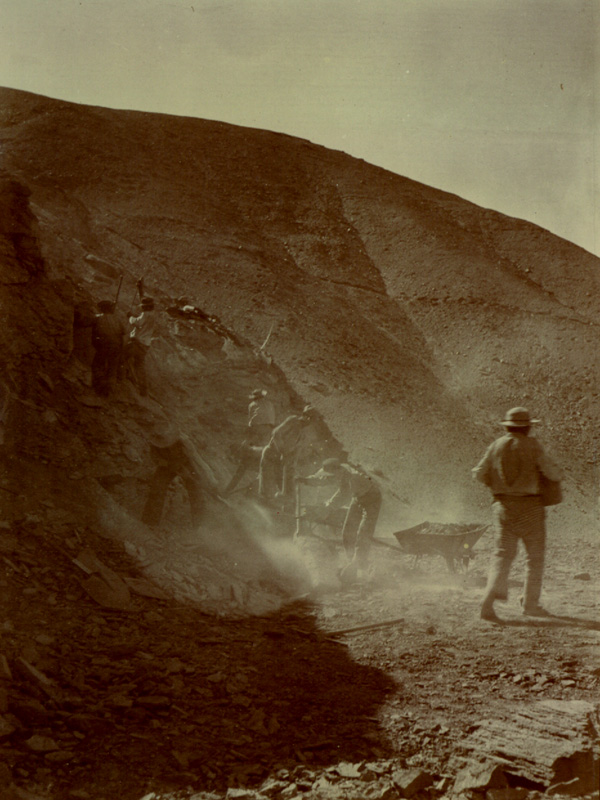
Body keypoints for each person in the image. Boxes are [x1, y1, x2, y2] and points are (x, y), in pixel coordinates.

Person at [472, 406, 563, 622]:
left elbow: (477, 473)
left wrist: (496, 484)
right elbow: (552, 472)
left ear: (508, 426)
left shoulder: (496, 446)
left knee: (502, 555)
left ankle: (487, 601)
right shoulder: (533, 446)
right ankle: (530, 605)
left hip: (503, 507)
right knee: (535, 558)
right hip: (531, 508)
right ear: (528, 427)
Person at [297, 458, 382, 583]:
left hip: (371, 499)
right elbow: (325, 480)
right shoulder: (339, 472)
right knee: (347, 531)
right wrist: (306, 480)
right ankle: (351, 562)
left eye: (332, 474)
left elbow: (341, 497)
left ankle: (359, 569)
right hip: (357, 498)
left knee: (363, 534)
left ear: (338, 471)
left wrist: (325, 509)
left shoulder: (352, 478)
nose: (331, 477)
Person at [142, 426, 219, 529]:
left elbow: (196, 460)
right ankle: (150, 522)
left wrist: (210, 479)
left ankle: (200, 525)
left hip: (186, 464)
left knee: (195, 489)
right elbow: (155, 458)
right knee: (157, 487)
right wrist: (167, 464)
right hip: (166, 466)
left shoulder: (184, 442)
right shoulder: (155, 442)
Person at [258, 405, 317, 506]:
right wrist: (282, 451)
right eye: (311, 420)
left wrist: (292, 461)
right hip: (272, 452)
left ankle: (283, 502)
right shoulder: (293, 420)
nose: (311, 423)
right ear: (307, 417)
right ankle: (264, 501)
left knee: (288, 479)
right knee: (267, 481)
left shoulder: (303, 432)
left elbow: (297, 450)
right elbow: (276, 433)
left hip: (283, 458)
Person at [90, 300, 126, 396]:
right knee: (112, 369)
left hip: (103, 346)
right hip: (116, 347)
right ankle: (109, 391)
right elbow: (123, 333)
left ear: (102, 309)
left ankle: (100, 387)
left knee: (97, 365)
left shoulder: (98, 318)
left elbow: (86, 322)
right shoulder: (117, 319)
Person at [126, 296, 156, 396]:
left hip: (138, 342)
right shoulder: (152, 315)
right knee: (140, 366)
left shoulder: (145, 314)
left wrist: (130, 317)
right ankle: (143, 389)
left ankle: (123, 378)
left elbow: (137, 322)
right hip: (145, 343)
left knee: (122, 356)